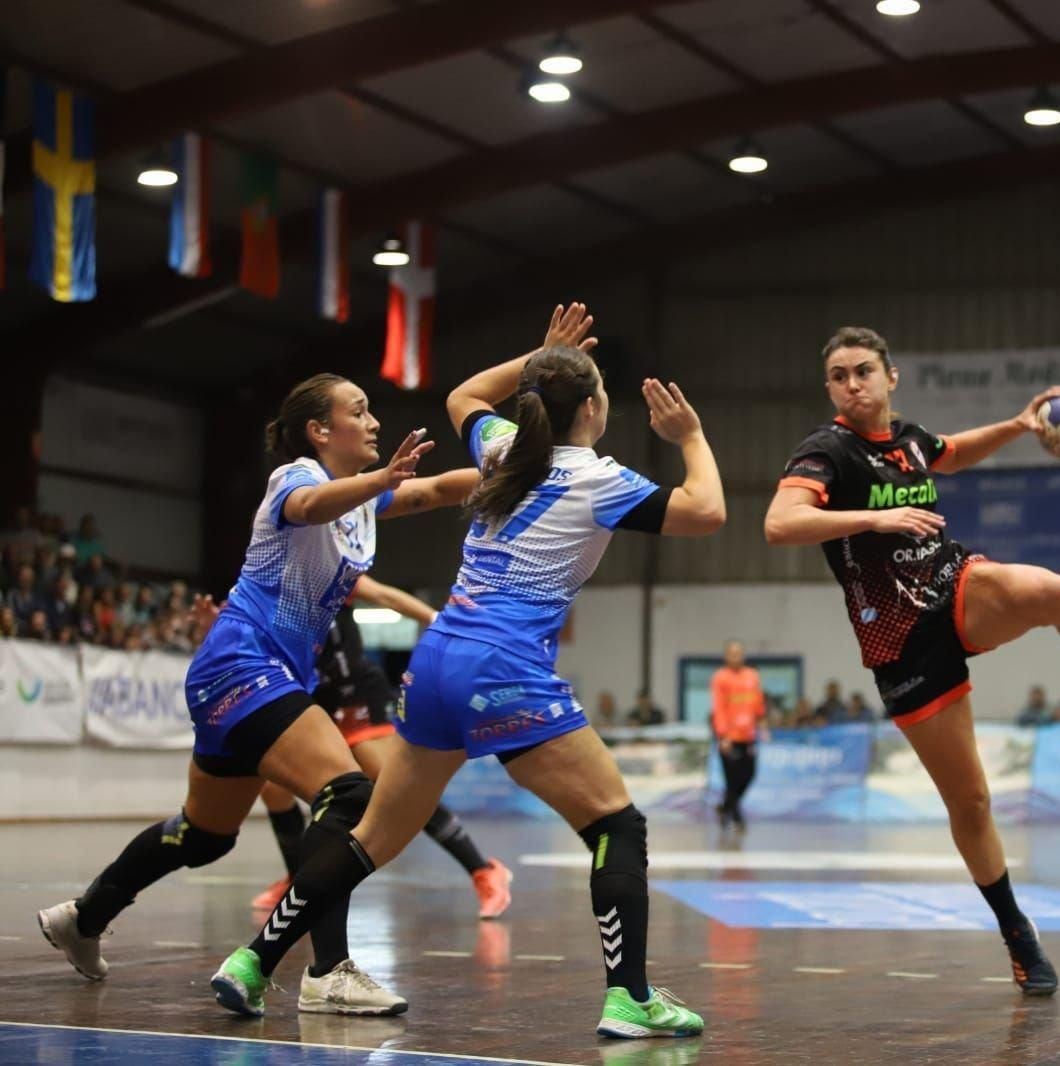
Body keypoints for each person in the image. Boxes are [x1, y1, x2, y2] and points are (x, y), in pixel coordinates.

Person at [210, 302, 721, 1038]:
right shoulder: (598, 479)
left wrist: (537, 357)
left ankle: (254, 962)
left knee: (372, 838)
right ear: (593, 408)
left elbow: (463, 397)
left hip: (437, 662)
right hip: (506, 667)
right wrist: (691, 436)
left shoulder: (503, 448)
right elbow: (706, 511)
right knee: (617, 825)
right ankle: (631, 997)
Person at [765, 326, 1060, 998]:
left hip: (951, 586)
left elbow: (953, 453)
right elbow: (780, 523)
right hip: (899, 642)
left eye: (864, 370)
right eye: (840, 374)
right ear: (830, 388)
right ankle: (1017, 933)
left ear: (890, 377)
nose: (853, 383)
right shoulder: (827, 452)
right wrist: (876, 520)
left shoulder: (907, 441)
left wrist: (1022, 425)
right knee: (972, 802)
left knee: (1048, 590)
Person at [38, 371, 477, 1018]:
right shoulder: (295, 479)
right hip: (244, 664)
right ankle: (329, 971)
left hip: (249, 676)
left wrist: (524, 476)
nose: (376, 422)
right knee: (350, 793)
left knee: (204, 835)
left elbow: (437, 490)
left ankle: (84, 916)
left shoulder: (361, 503)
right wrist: (381, 481)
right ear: (319, 431)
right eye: (360, 411)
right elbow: (309, 510)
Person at [198, 577, 512, 922]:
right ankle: (296, 883)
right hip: (313, 700)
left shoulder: (327, 573)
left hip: (356, 695)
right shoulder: (266, 590)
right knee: (274, 789)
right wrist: (217, 628)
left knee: (396, 784)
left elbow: (385, 593)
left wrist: (439, 621)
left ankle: (483, 871)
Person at [710, 640, 766, 831]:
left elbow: (758, 706)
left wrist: (763, 727)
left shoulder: (752, 676)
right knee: (731, 779)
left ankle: (725, 807)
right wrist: (723, 736)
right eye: (732, 653)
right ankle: (737, 818)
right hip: (729, 738)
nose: (736, 656)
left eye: (739, 653)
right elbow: (718, 708)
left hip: (748, 737)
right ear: (726, 656)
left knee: (749, 774)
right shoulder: (720, 678)